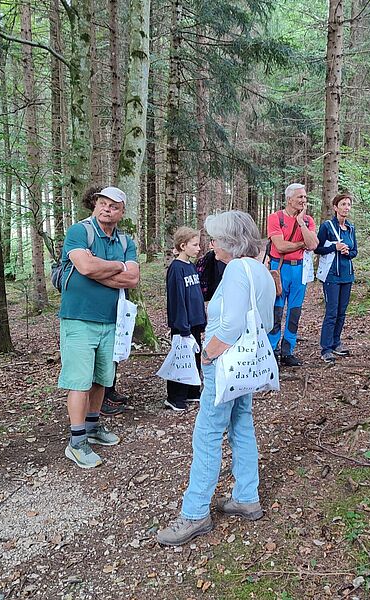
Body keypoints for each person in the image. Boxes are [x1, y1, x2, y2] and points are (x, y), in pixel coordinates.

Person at [157, 211, 275, 546]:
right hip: (246, 366)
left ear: (231, 241)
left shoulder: (237, 269)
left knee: (207, 434)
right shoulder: (261, 270)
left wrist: (208, 354)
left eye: (216, 239)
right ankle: (246, 497)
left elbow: (232, 324)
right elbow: (267, 322)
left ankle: (195, 513)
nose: (211, 245)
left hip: (225, 364)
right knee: (241, 424)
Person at [57, 185, 139, 468]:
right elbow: (85, 267)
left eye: (114, 206)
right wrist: (117, 266)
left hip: (111, 320)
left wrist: (98, 268)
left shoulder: (125, 241)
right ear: (95, 205)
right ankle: (76, 441)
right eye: (103, 203)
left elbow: (132, 279)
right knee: (79, 382)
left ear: (122, 212)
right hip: (79, 319)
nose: (107, 209)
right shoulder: (80, 231)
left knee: (102, 379)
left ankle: (92, 427)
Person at [266, 183, 318, 366]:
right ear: (289, 199)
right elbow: (280, 246)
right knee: (276, 310)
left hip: (299, 270)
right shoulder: (275, 218)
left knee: (294, 311)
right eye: (300, 197)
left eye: (305, 197)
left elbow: (313, 245)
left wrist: (301, 223)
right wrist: (301, 244)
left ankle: (288, 351)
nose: (303, 200)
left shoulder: (308, 220)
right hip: (279, 269)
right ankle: (272, 350)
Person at [165, 226, 207, 411]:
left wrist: (201, 319)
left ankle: (191, 390)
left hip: (194, 322)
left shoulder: (191, 266)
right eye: (195, 245)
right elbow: (177, 298)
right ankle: (175, 397)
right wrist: (182, 325)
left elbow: (196, 294)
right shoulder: (176, 268)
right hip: (182, 324)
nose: (199, 248)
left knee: (194, 357)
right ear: (183, 246)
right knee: (181, 358)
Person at [314, 192, 358, 364]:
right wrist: (335, 247)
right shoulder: (327, 227)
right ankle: (326, 348)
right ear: (335, 207)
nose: (346, 207)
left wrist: (348, 252)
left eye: (348, 204)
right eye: (343, 204)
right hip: (331, 275)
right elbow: (317, 248)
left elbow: (355, 251)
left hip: (347, 275)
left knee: (342, 312)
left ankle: (336, 343)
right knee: (331, 312)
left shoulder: (351, 228)